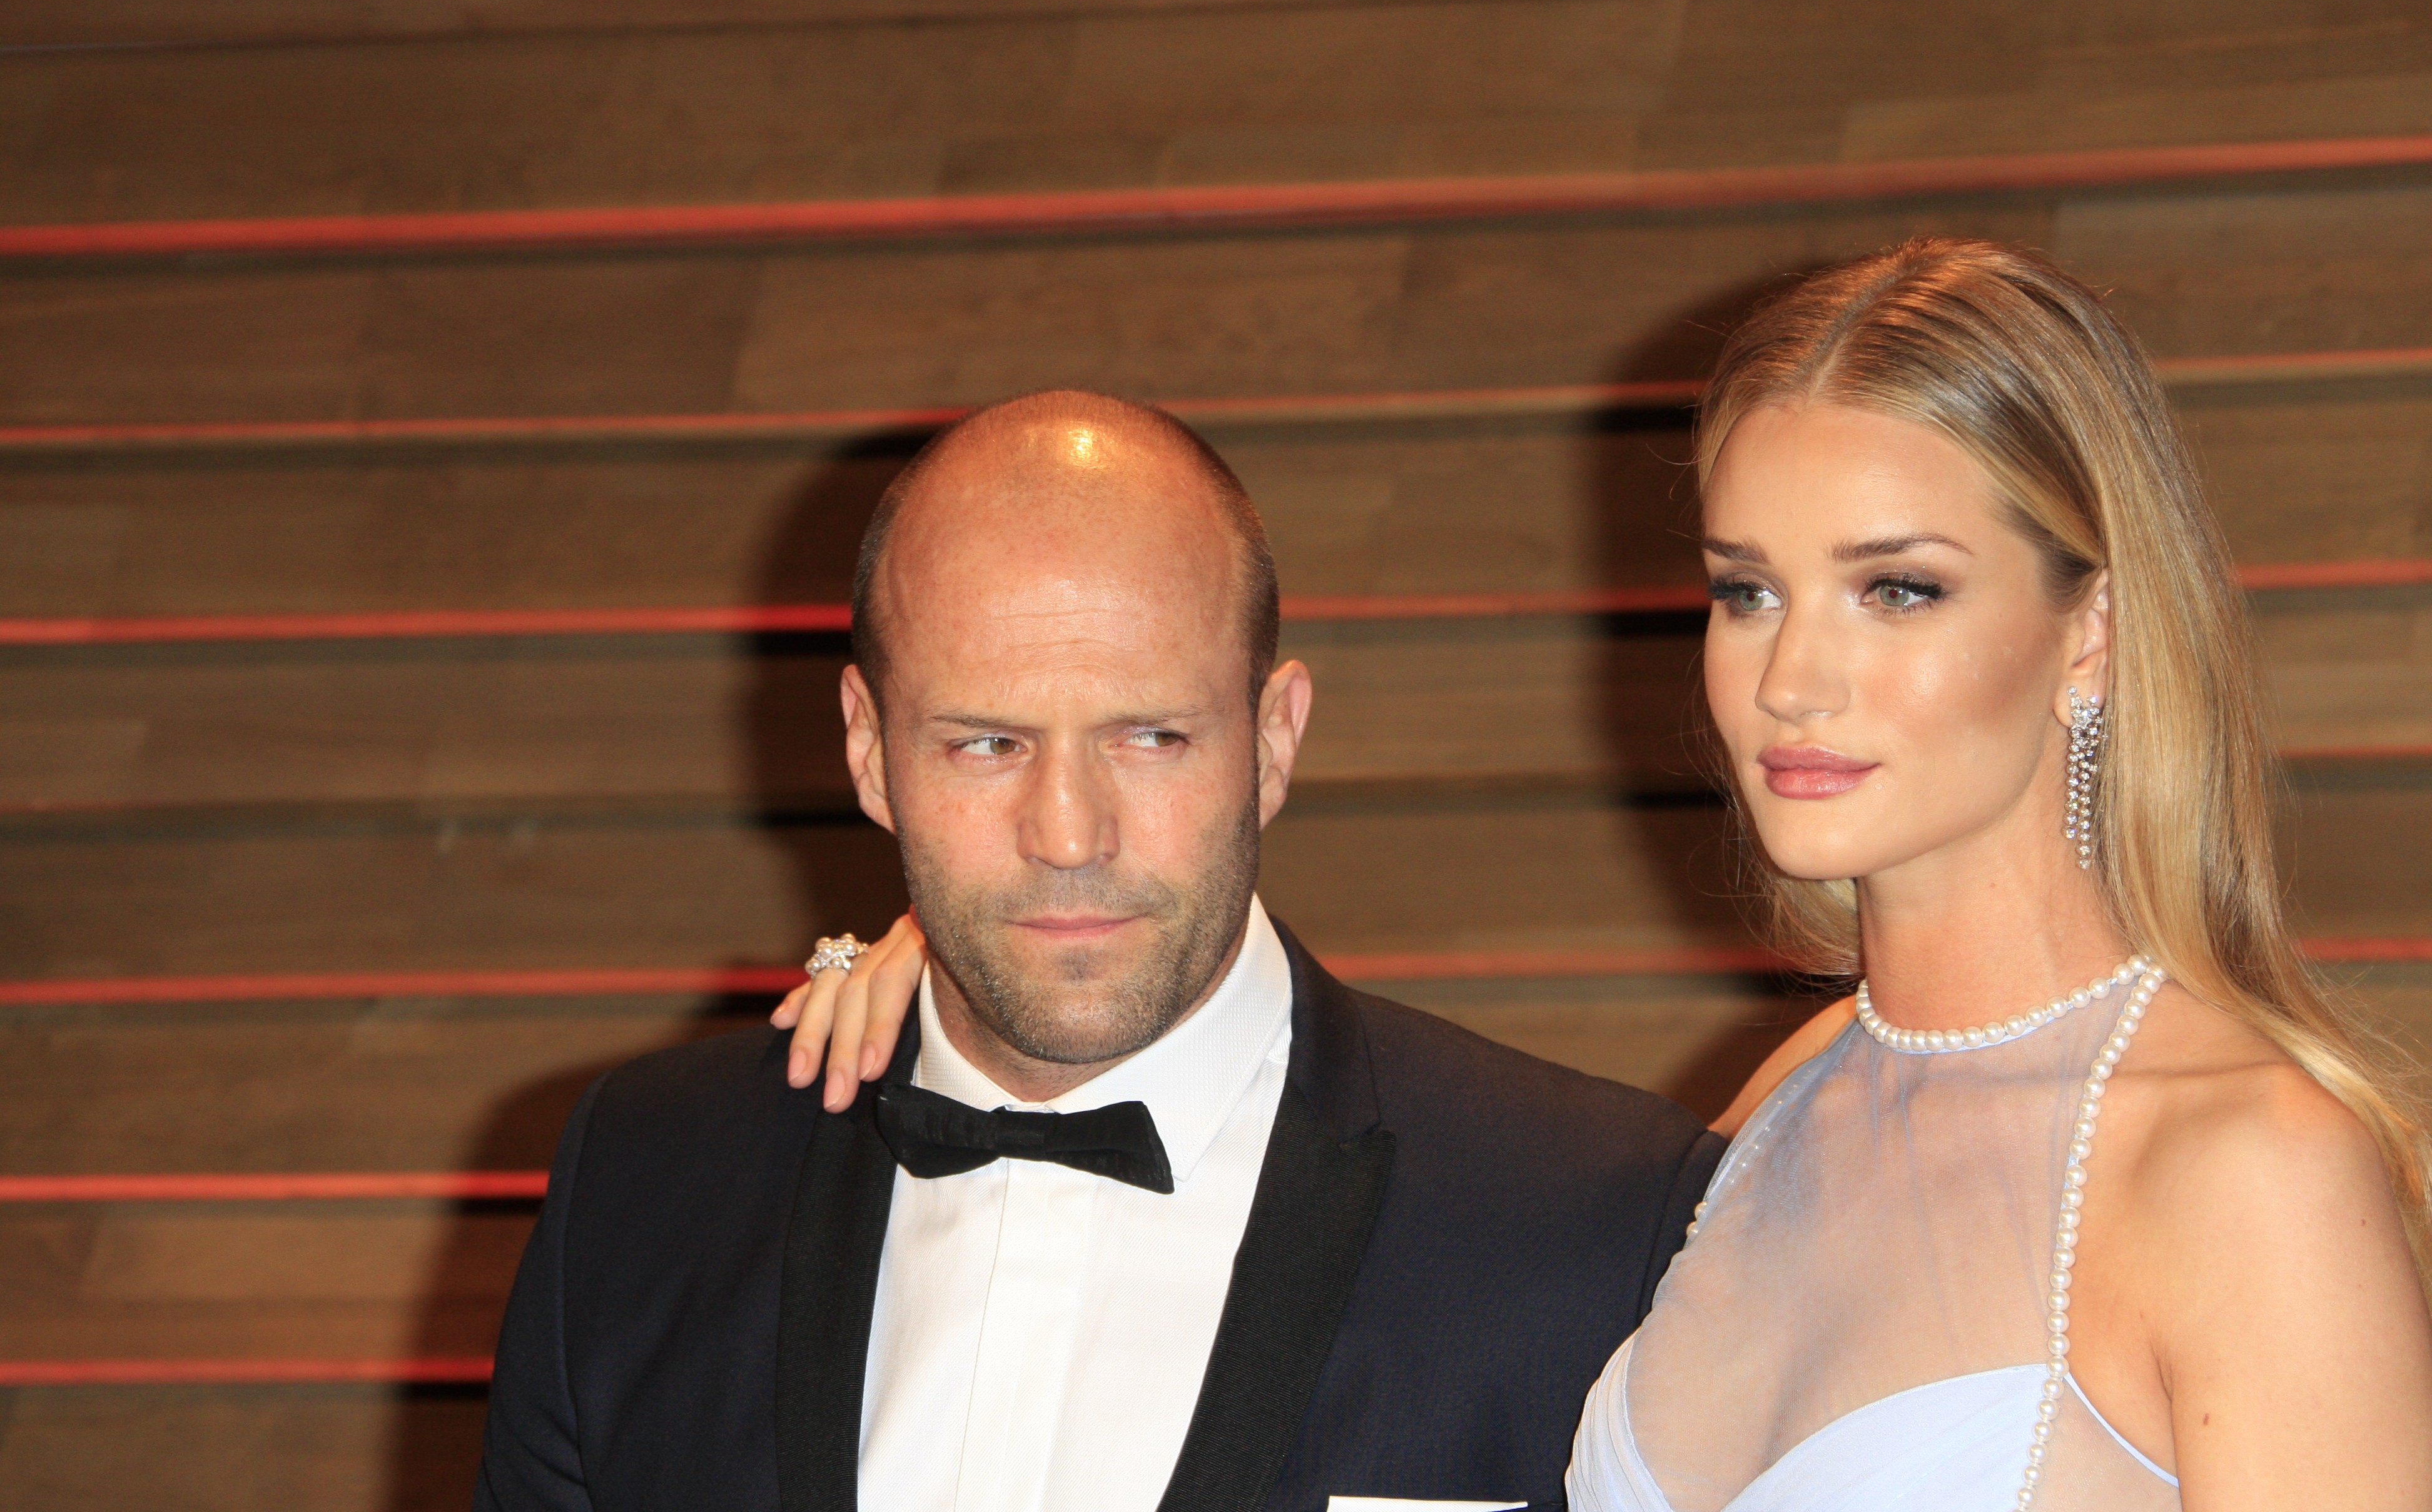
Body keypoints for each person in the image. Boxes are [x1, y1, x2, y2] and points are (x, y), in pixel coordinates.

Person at [791, 246, 2432, 1510]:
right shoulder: (1783, 1109)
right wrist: (988, 980)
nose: (1793, 678)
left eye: (1898, 590)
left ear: (2091, 631)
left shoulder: (2251, 1173)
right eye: (1748, 590)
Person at [474, 389, 1723, 1512]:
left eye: (1150, 738)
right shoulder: (643, 1186)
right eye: (986, 745)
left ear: (1273, 740)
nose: (1068, 835)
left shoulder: (1595, 1222)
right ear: (868, 751)